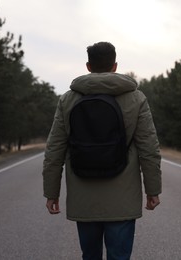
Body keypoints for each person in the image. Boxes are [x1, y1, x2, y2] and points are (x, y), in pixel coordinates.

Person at [42, 41, 162, 260]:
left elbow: (54, 150)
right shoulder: (136, 98)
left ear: (88, 66)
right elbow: (149, 148)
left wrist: (51, 192)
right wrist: (153, 190)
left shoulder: (68, 99)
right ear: (115, 65)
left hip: (83, 195)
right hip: (122, 197)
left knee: (90, 255)